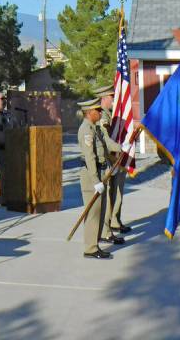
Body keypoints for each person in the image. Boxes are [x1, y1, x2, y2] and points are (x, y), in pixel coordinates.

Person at [94, 84, 132, 238]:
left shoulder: (109, 114)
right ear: (103, 98)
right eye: (111, 97)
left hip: (116, 158)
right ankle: (106, 229)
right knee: (108, 197)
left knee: (116, 193)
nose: (114, 100)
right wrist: (114, 157)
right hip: (109, 159)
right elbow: (105, 141)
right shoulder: (102, 117)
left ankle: (114, 222)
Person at [77, 97, 113, 259]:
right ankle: (90, 248)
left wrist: (123, 148)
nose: (100, 112)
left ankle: (95, 244)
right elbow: (90, 157)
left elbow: (107, 143)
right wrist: (96, 181)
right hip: (91, 175)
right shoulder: (86, 130)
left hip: (99, 173)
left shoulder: (95, 128)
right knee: (93, 213)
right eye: (97, 110)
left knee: (100, 210)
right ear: (90, 112)